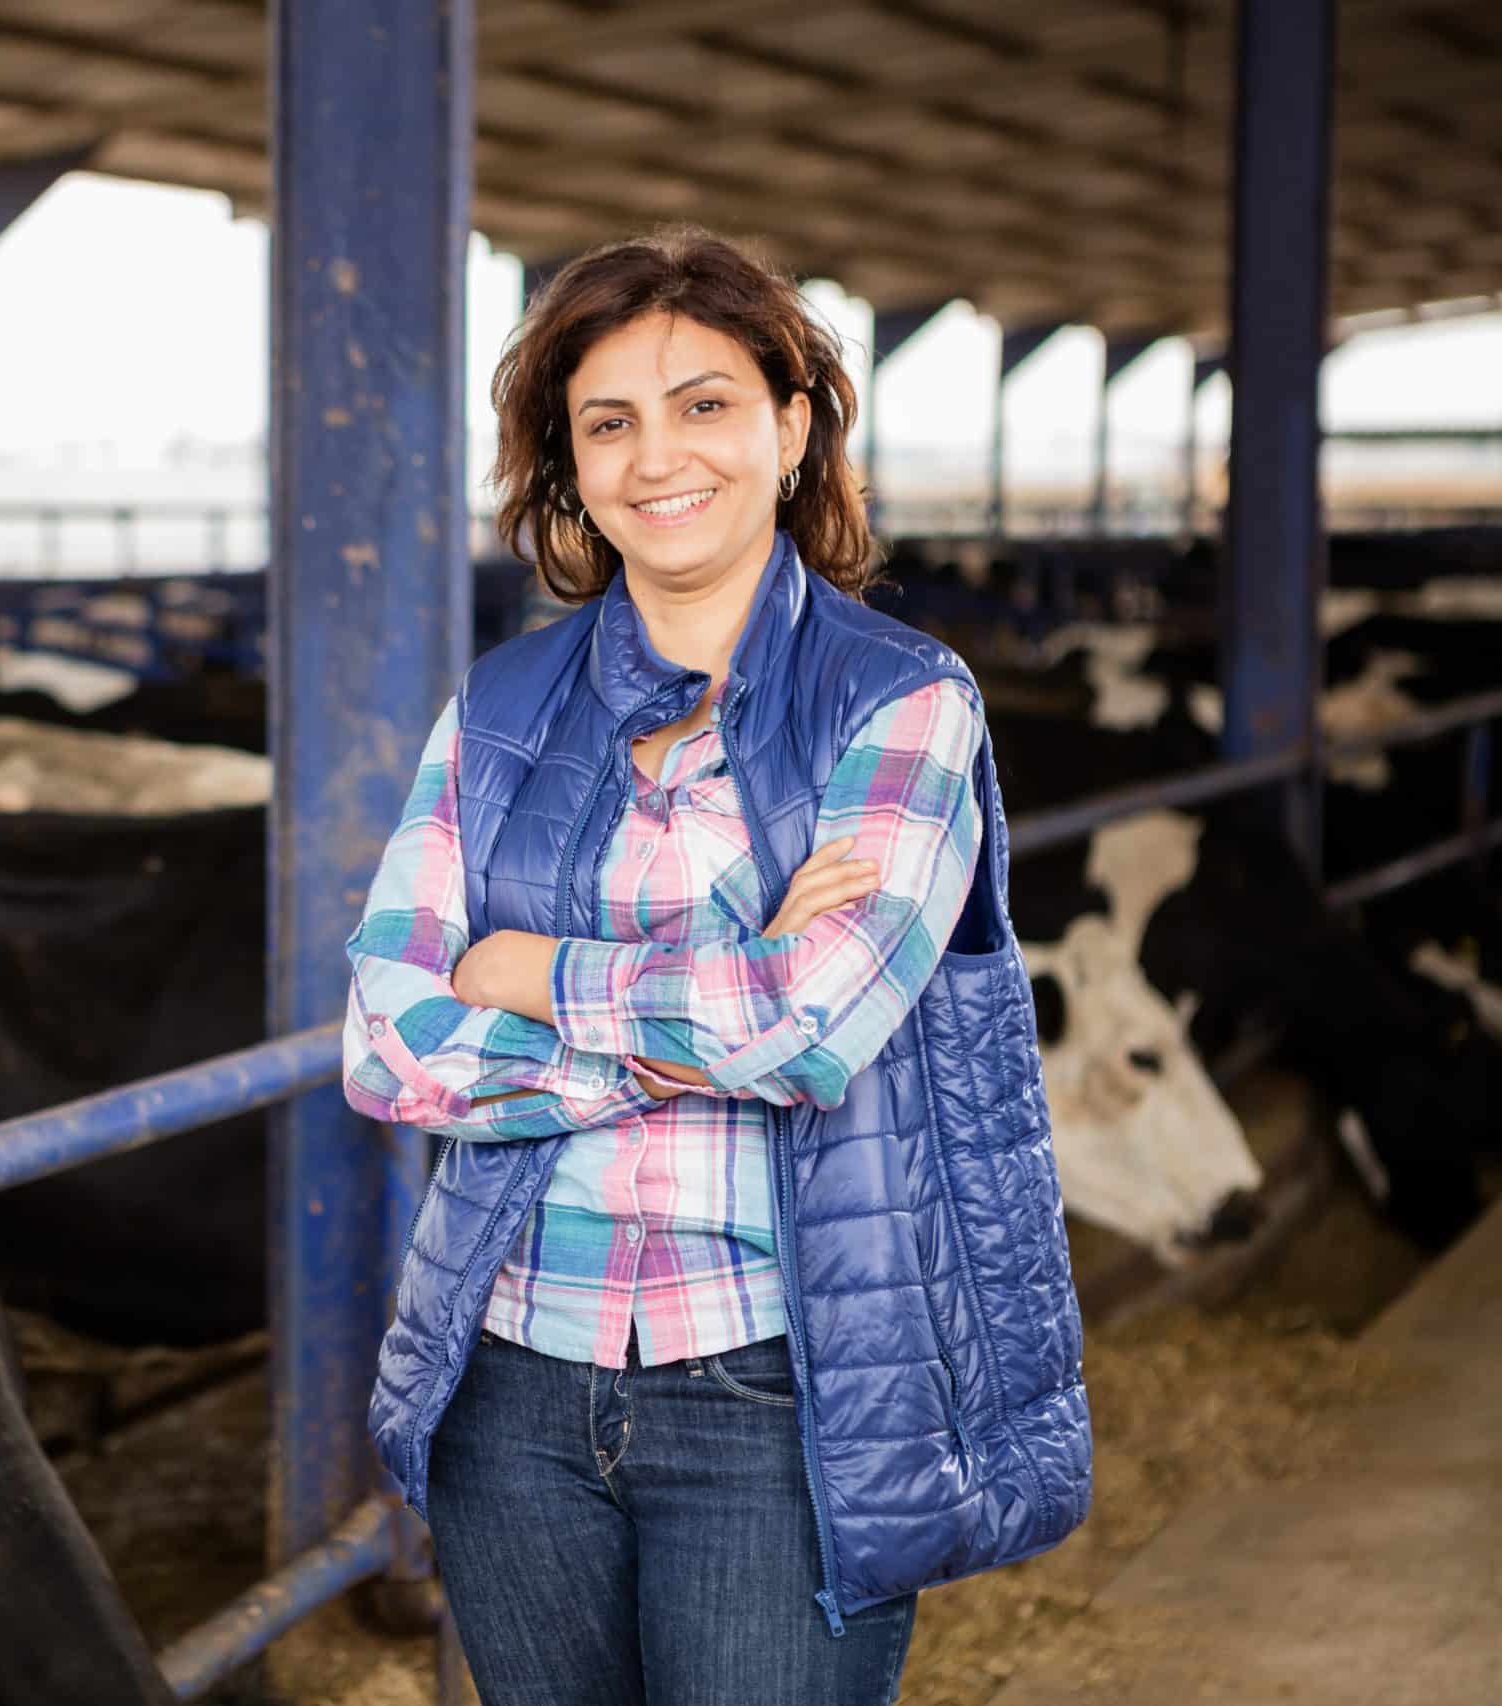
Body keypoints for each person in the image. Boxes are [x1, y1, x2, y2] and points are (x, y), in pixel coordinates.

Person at [343, 227, 1090, 1706]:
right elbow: (386, 1039)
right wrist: (722, 983)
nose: (655, 456)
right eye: (607, 421)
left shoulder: (904, 702)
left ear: (791, 425)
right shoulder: (497, 708)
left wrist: (528, 966)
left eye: (705, 404)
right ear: (567, 462)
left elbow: (809, 1028)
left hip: (784, 1388)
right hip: (513, 1379)